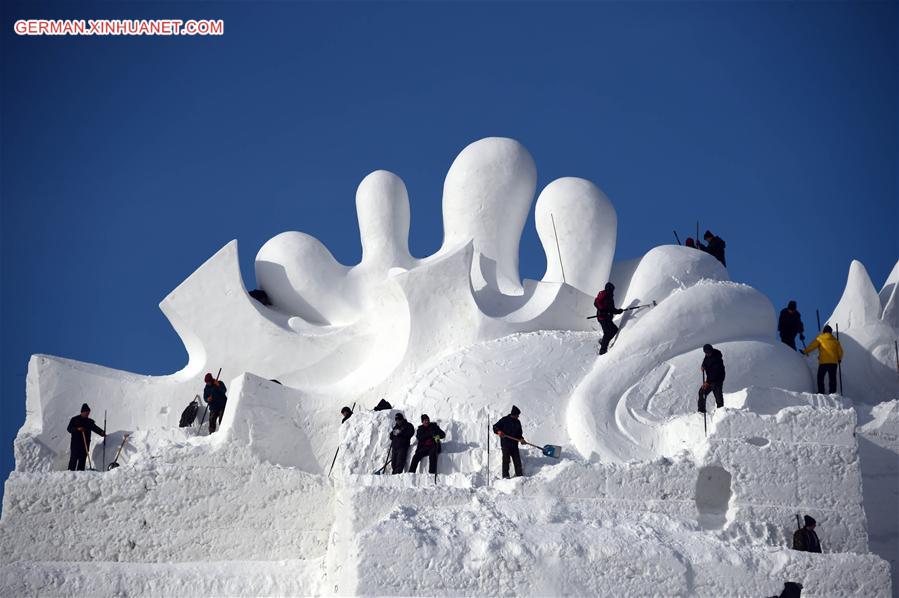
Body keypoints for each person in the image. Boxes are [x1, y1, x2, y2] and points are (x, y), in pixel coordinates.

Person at [803, 325, 843, 394]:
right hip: (833, 363)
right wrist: (839, 358)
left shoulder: (820, 338)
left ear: (824, 331)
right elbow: (840, 351)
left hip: (823, 362)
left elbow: (812, 346)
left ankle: (821, 391)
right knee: (832, 378)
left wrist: (805, 351)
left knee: (820, 377)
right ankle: (833, 392)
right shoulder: (835, 340)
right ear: (830, 332)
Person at [66, 403, 106, 471]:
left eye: (88, 413)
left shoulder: (89, 421)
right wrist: (77, 429)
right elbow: (69, 429)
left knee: (82, 461)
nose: (88, 414)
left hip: (85, 444)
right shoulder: (74, 420)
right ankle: (70, 474)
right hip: (75, 444)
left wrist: (102, 432)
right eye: (86, 413)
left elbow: (95, 428)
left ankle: (81, 475)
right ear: (82, 412)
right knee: (73, 460)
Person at [492, 405, 525, 478]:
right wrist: (499, 431)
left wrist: (521, 439)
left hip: (514, 445)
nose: (518, 417)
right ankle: (505, 476)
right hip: (506, 444)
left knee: (517, 461)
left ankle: (520, 476)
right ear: (513, 414)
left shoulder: (518, 422)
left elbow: (519, 434)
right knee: (506, 460)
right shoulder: (504, 420)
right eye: (517, 415)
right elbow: (495, 427)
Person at [594, 282, 624, 355]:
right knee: (607, 332)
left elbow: (612, 309)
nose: (613, 291)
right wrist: (601, 310)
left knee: (614, 330)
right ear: (608, 288)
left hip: (607, 318)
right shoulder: (603, 294)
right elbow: (596, 302)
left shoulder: (610, 297)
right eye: (612, 289)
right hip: (602, 318)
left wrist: (618, 311)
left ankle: (603, 341)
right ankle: (602, 350)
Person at [698, 344, 726, 413]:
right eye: (706, 353)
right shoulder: (708, 355)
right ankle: (701, 411)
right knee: (702, 392)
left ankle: (721, 412)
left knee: (718, 396)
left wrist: (707, 383)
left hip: (718, 379)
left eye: (709, 352)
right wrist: (703, 366)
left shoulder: (717, 358)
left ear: (712, 350)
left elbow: (714, 373)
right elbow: (705, 361)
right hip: (710, 379)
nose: (708, 354)